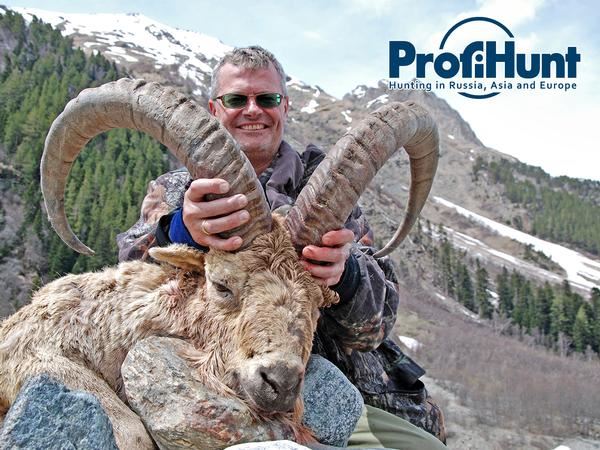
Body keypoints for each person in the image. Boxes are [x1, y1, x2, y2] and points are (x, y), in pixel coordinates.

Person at [117, 45, 446, 449]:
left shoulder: (328, 190)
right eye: (236, 99)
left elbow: (378, 323)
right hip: (203, 374)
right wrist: (182, 230)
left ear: (285, 106)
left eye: (267, 98)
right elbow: (128, 275)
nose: (252, 110)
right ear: (214, 108)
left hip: (328, 386)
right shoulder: (178, 191)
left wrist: (346, 276)